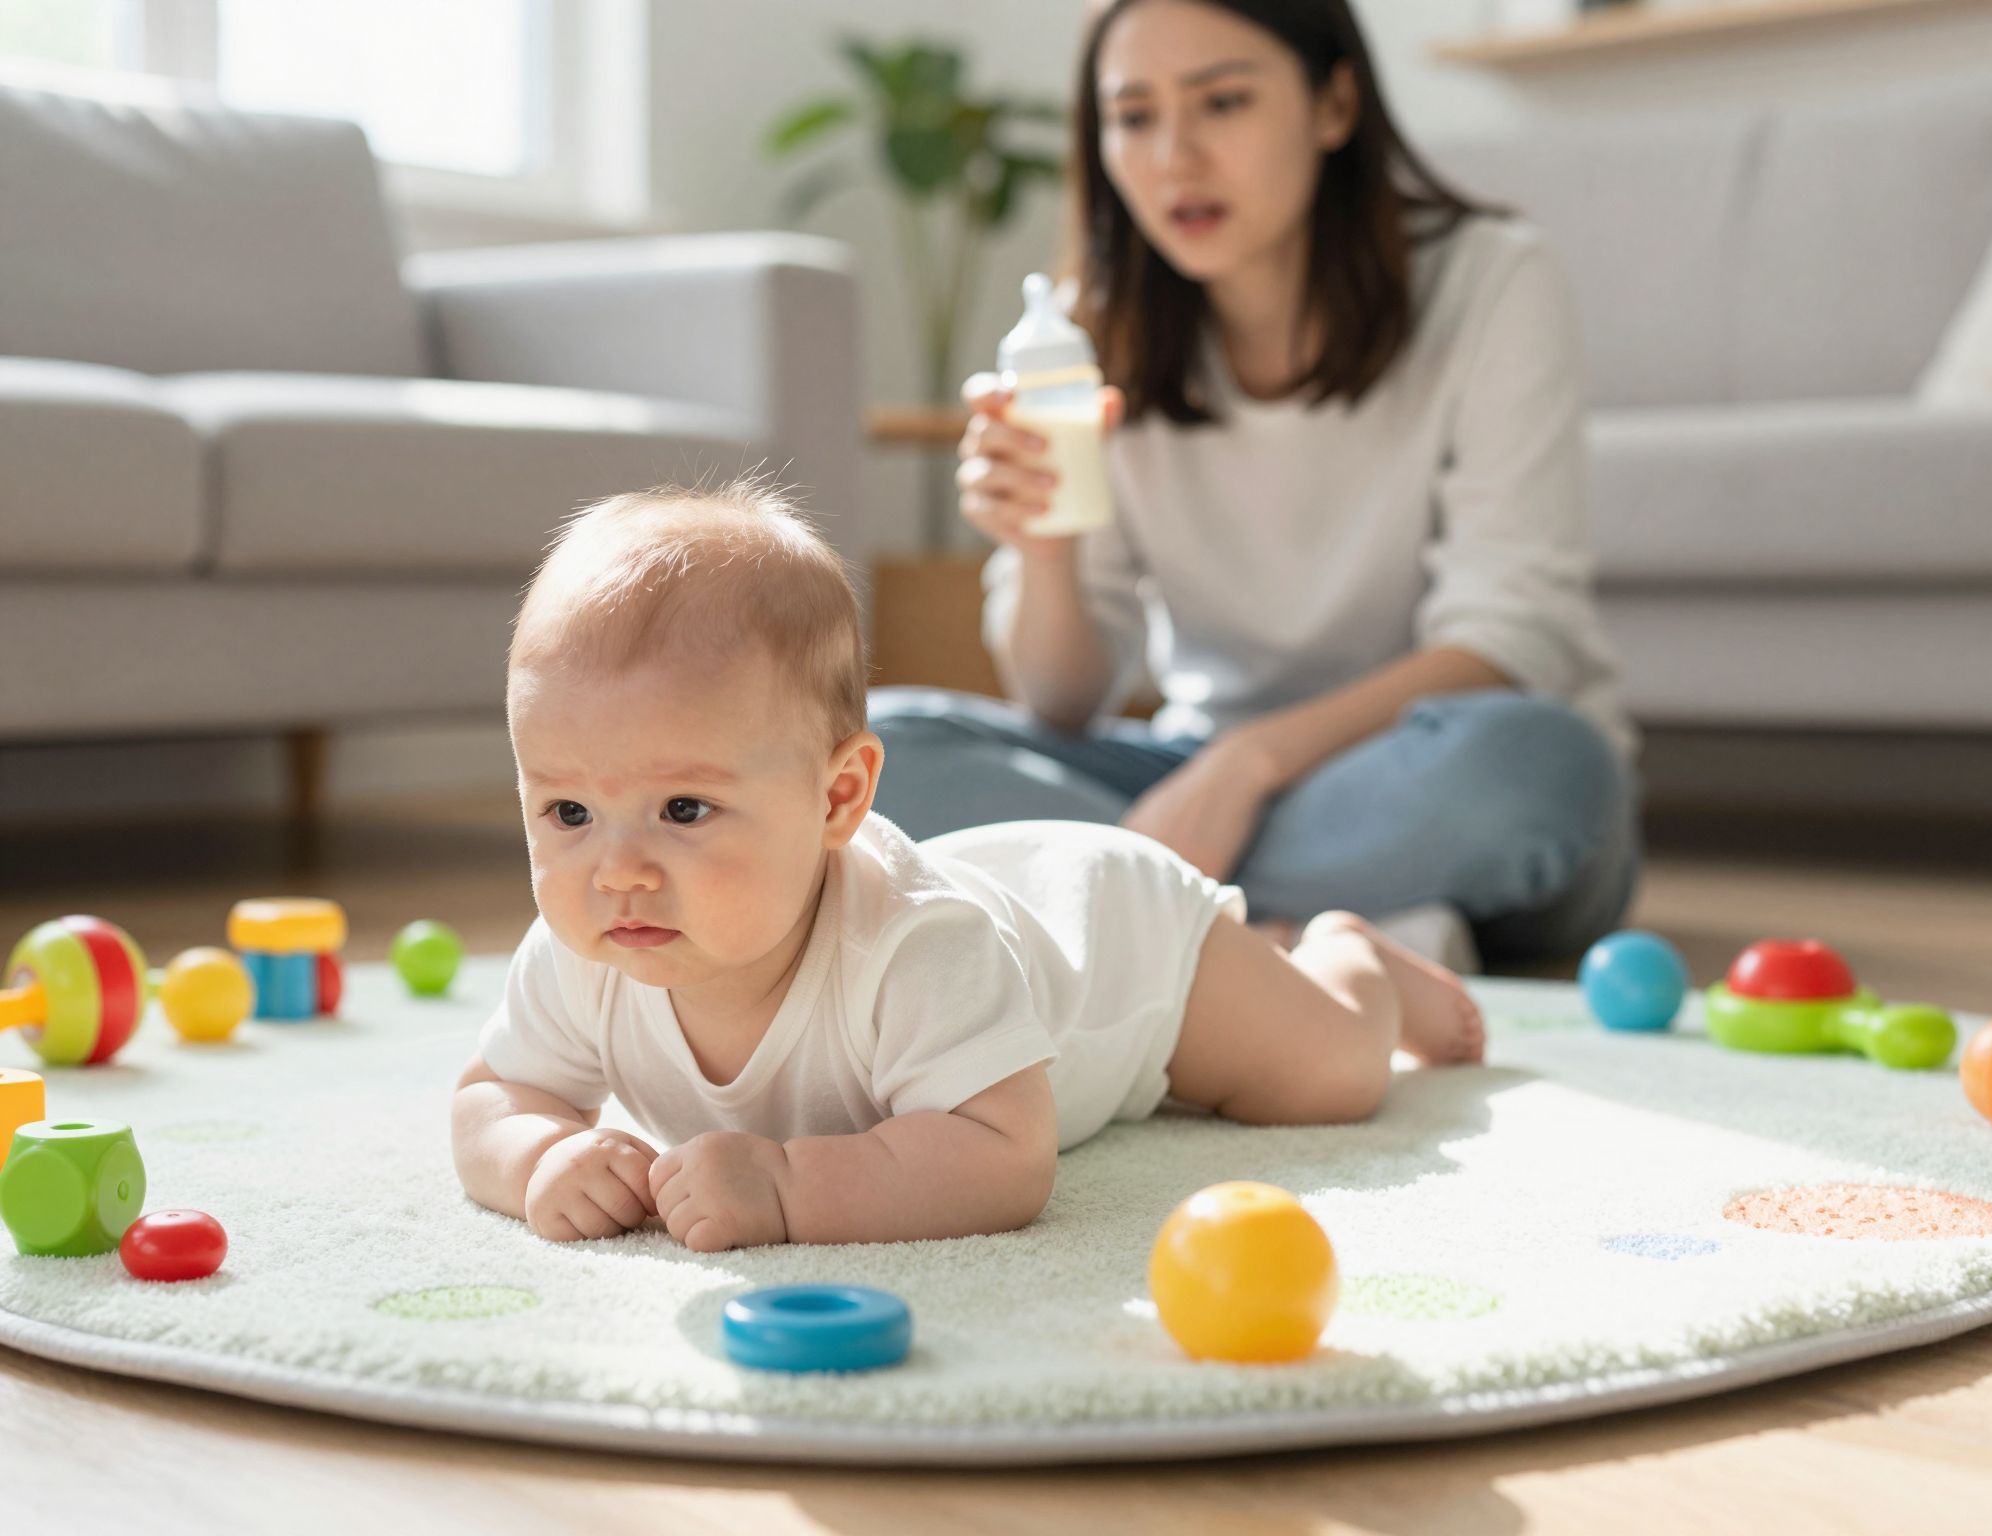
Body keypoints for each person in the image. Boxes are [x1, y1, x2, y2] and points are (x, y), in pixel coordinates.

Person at [448, 483, 1483, 1252]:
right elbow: (494, 1094)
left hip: (1124, 950)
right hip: (1019, 899)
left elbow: (1002, 1156)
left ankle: (1348, 958)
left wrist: (790, 1187)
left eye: (682, 809)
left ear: (837, 800)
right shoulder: (581, 951)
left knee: (1327, 1078)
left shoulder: (910, 947)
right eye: (568, 811)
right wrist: (537, 1157)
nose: (615, 870)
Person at [868, 0, 1638, 966]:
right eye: (1134, 115)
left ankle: (1145, 915)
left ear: (1335, 103)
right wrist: (1045, 549)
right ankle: (1321, 934)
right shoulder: (1086, 335)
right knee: (877, 751)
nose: (1173, 156)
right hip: (1197, 773)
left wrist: (1251, 761)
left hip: (1425, 770)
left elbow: (1508, 634)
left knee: (1536, 769)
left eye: (1222, 102)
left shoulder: (1492, 282)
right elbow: (1060, 702)